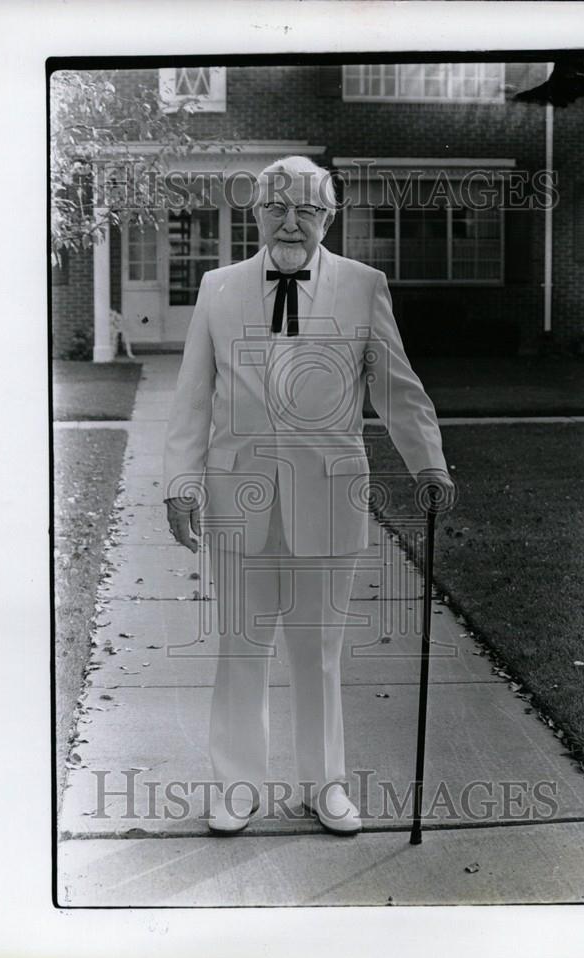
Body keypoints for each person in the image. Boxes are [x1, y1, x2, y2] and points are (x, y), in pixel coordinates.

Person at [163, 156, 455, 835]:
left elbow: (396, 390)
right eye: (277, 206)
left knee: (317, 654)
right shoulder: (218, 287)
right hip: (238, 498)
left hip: (329, 496)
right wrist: (179, 486)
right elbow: (191, 398)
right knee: (240, 649)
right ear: (256, 211)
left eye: (308, 209)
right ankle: (237, 788)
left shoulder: (362, 286)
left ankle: (325, 787)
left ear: (330, 216)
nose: (291, 220)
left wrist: (428, 465)